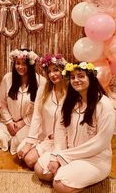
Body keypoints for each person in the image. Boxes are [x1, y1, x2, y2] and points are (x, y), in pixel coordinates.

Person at [36, 62, 115, 192]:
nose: (76, 80)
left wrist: (63, 157)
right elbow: (60, 130)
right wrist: (57, 154)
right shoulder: (69, 100)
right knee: (41, 170)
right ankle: (67, 172)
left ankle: (80, 179)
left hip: (94, 158)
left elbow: (100, 143)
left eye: (81, 76)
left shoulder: (104, 105)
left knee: (59, 184)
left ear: (90, 78)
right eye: (72, 77)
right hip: (67, 151)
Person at [17, 54, 67, 169]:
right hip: (45, 136)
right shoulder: (44, 89)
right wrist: (29, 143)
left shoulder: (71, 91)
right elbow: (37, 116)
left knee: (35, 164)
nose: (52, 74)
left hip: (63, 139)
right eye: (49, 71)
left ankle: (53, 161)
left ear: (63, 70)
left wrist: (60, 134)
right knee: (25, 156)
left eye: (56, 70)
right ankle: (45, 158)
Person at [0, 49, 46, 155]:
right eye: (18, 63)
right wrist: (9, 122)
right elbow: (2, 103)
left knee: (18, 143)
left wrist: (22, 122)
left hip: (28, 123)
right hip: (6, 122)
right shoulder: (7, 78)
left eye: (24, 64)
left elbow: (40, 109)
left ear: (31, 65)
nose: (20, 67)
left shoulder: (41, 81)